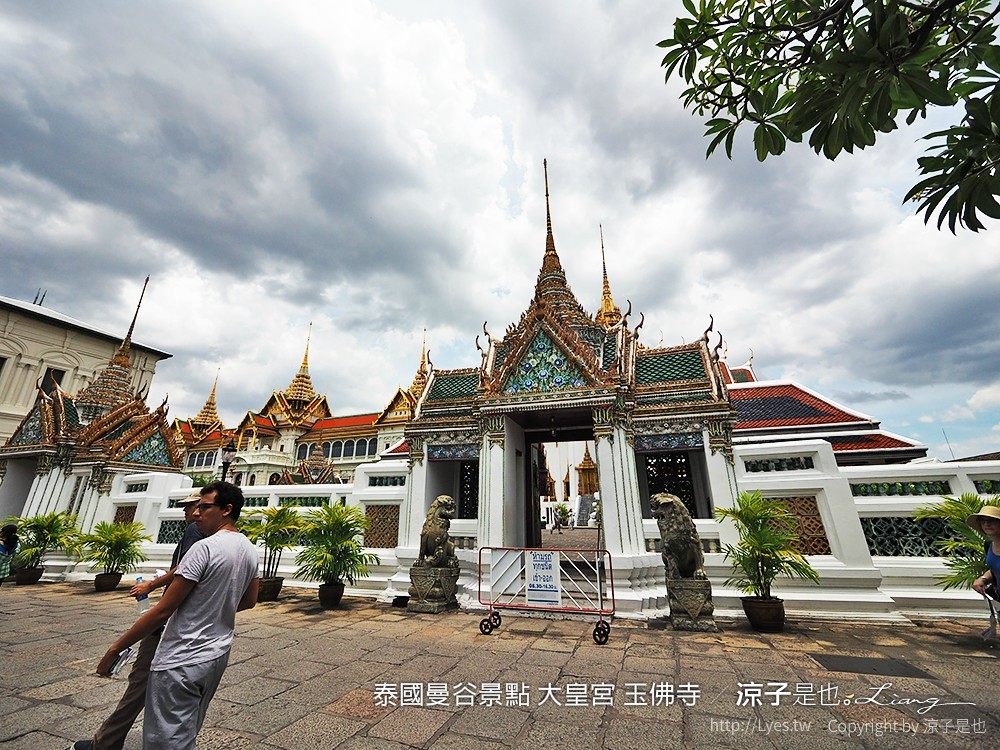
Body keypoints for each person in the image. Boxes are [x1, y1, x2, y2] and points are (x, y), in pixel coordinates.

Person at [94, 481, 259, 750]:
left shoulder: (204, 548)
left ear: (227, 509)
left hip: (181, 657)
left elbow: (163, 610)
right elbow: (250, 600)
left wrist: (116, 648)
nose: (195, 513)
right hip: (216, 655)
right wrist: (215, 607)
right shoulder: (249, 548)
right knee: (185, 731)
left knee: (165, 739)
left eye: (204, 507)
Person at [72, 493, 205, 750]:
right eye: (188, 508)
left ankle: (106, 743)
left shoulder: (195, 531)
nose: (187, 513)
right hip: (194, 624)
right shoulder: (222, 540)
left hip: (170, 617)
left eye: (191, 507)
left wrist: (152, 585)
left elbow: (184, 568)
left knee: (140, 683)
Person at [969, 504, 1000, 600]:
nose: (987, 524)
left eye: (991, 521)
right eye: (983, 521)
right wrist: (983, 579)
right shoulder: (989, 545)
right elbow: (996, 568)